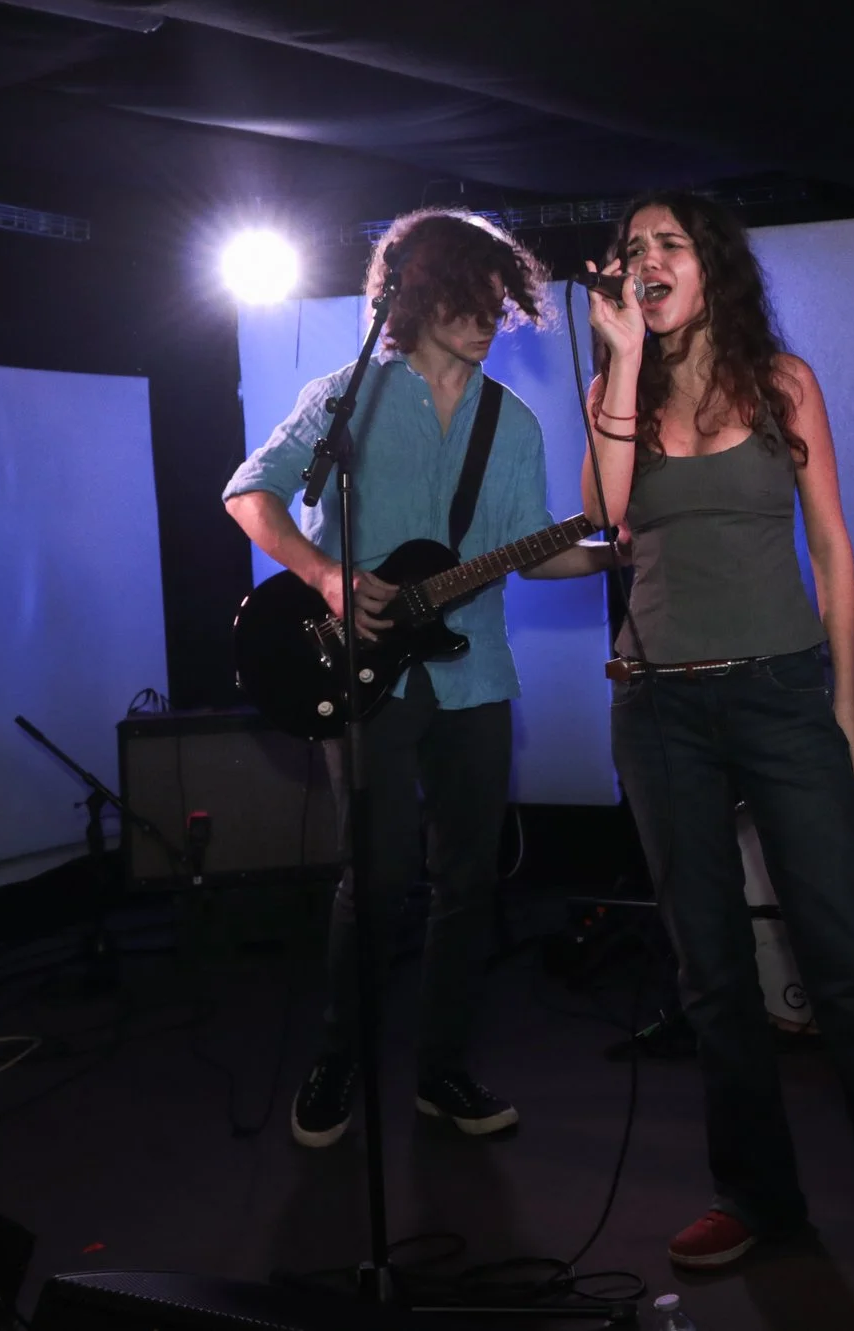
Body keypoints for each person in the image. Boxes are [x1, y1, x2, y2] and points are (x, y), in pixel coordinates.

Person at [581, 192, 854, 1307]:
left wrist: (848, 696)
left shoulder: (785, 381)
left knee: (849, 967)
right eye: (632, 251)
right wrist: (619, 361)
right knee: (714, 974)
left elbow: (829, 545)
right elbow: (609, 523)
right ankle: (759, 1194)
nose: (647, 262)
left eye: (667, 244)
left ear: (711, 263)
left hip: (778, 694)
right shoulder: (612, 392)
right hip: (660, 706)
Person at [226, 209, 614, 1149]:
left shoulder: (510, 423)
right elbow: (250, 489)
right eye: (466, 296)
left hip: (475, 678)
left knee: (468, 881)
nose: (486, 316)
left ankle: (443, 1068)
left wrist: (612, 552)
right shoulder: (347, 397)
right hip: (365, 680)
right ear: (415, 294)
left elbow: (533, 553)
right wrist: (324, 574)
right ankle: (338, 1057)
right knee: (379, 874)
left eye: (497, 300)